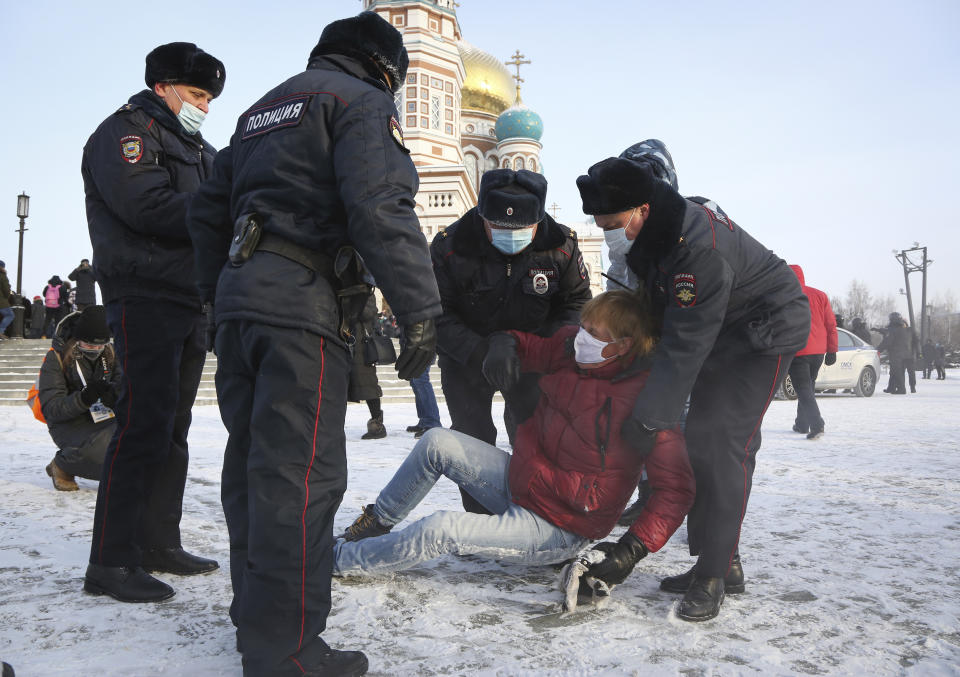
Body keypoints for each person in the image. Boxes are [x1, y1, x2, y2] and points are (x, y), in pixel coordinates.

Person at [187, 12, 440, 676]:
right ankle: (287, 652)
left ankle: (259, 618)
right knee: (300, 479)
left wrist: (220, 295)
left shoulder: (259, 111)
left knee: (252, 472)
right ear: (386, 69)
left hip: (242, 305)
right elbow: (380, 205)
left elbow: (206, 211)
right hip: (303, 306)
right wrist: (420, 310)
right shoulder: (361, 102)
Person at [577, 157, 809, 622]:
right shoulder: (656, 231)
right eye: (600, 226)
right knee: (698, 442)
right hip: (723, 331)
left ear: (642, 209)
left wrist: (651, 414)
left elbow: (684, 342)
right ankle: (724, 561)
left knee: (721, 443)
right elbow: (665, 322)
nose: (607, 233)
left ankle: (714, 575)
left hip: (763, 333)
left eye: (613, 224)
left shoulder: (695, 253)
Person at [335, 291, 695, 589]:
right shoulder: (571, 352)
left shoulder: (648, 402)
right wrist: (504, 344)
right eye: (581, 326)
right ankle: (375, 524)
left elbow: (676, 489)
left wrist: (632, 549)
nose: (581, 336)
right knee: (437, 441)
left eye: (593, 332)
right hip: (524, 480)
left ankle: (336, 560)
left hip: (560, 525)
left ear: (622, 346)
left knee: (440, 528)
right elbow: (530, 345)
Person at [80, 41, 225, 604]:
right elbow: (148, 207)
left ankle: (159, 540)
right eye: (196, 94)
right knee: (141, 426)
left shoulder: (198, 146)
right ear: (163, 86)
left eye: (210, 98)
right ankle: (111, 561)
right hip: (143, 295)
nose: (204, 106)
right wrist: (224, 207)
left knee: (174, 429)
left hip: (188, 298)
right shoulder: (125, 134)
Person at [430, 168, 592, 513]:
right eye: (500, 228)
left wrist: (536, 350)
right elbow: (437, 314)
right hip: (468, 359)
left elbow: (576, 304)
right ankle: (481, 518)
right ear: (481, 216)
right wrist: (481, 351)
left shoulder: (562, 246)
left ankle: (537, 515)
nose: (510, 235)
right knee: (471, 440)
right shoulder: (449, 246)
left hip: (534, 358)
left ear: (538, 220)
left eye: (521, 230)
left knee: (537, 434)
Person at [38, 306, 121, 491]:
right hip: (69, 423)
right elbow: (51, 409)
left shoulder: (111, 352)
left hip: (104, 418)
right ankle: (62, 464)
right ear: (77, 339)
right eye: (90, 345)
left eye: (101, 345)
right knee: (106, 452)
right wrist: (84, 398)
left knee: (137, 437)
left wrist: (115, 396)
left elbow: (125, 387)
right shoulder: (56, 357)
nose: (96, 349)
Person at [787, 265, 838, 439]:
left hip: (798, 350)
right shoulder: (819, 295)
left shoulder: (785, 295)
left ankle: (817, 424)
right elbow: (831, 325)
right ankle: (802, 424)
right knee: (807, 387)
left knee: (803, 389)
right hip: (818, 352)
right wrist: (832, 350)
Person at [351, 295, 387, 440]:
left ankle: (377, 425)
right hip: (344, 342)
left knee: (368, 384)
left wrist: (351, 304)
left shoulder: (365, 291)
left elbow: (368, 312)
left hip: (361, 346)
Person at [879, 313, 912, 394]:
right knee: (895, 371)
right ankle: (892, 387)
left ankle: (901, 389)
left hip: (896, 354)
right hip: (905, 354)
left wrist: (878, 349)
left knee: (897, 372)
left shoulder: (893, 329)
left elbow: (887, 341)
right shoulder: (902, 328)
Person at [0, 261, 12, 339]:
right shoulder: (2, 275)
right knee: (10, 315)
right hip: (1, 300)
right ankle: (0, 331)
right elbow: (6, 289)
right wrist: (7, 296)